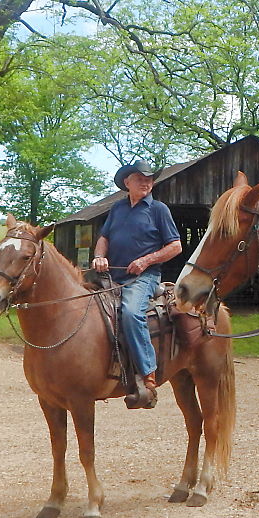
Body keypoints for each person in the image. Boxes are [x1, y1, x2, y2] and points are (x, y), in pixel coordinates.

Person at [92, 160, 182, 409]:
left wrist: (145, 261)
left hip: (144, 277)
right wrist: (100, 257)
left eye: (150, 178)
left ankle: (147, 374)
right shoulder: (118, 208)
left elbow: (176, 246)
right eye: (140, 178)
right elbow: (104, 238)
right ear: (127, 182)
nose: (146, 182)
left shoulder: (158, 210)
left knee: (131, 313)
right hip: (113, 277)